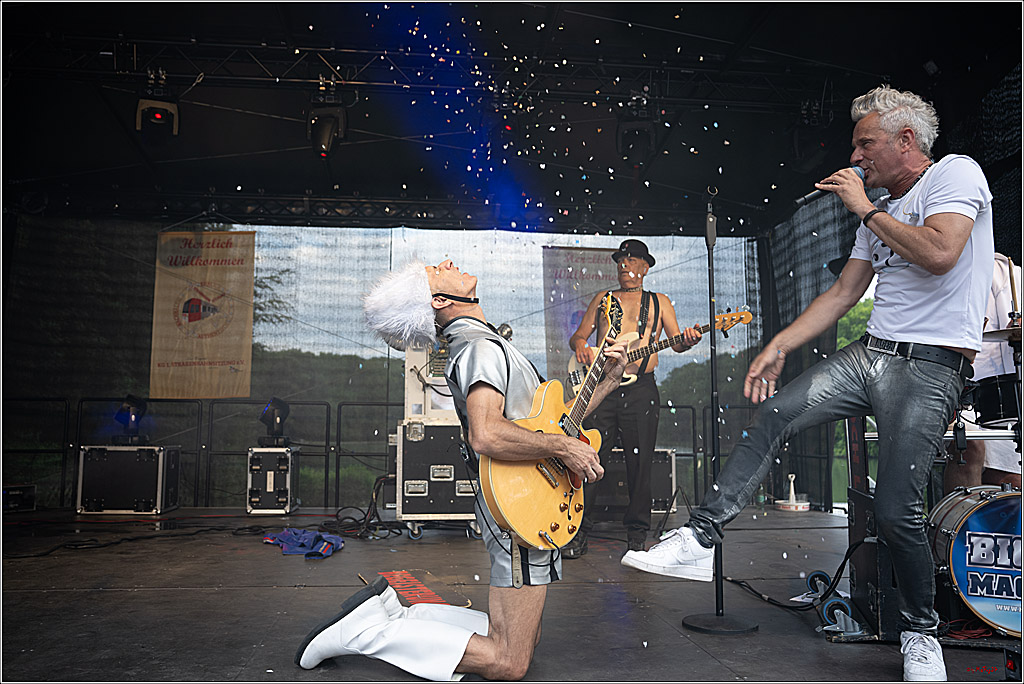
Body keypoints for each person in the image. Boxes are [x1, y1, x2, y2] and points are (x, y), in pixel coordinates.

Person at [620, 85, 994, 682]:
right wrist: (778, 346)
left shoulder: (953, 173)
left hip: (930, 366)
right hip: (871, 354)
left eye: (865, 143)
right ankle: (701, 536)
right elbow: (844, 293)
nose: (855, 156)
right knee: (775, 412)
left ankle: (921, 634)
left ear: (906, 140)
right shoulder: (879, 210)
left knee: (896, 510)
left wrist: (865, 209)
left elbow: (942, 252)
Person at [295, 258, 628, 681]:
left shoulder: (484, 341)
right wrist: (565, 447)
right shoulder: (478, 347)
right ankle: (367, 633)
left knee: (526, 638)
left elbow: (553, 423)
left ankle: (400, 615)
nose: (448, 262)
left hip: (528, 497)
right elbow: (486, 434)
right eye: (437, 270)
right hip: (519, 505)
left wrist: (607, 381)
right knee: (509, 661)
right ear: (439, 300)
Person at [562, 239, 702, 557]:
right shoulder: (604, 299)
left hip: (641, 390)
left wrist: (689, 340)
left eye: (632, 260)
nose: (624, 265)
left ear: (645, 267)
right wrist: (581, 345)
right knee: (589, 455)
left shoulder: (659, 302)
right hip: (602, 387)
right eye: (621, 260)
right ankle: (577, 530)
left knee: (640, 463)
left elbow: (677, 343)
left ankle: (637, 535)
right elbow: (579, 336)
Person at [943, 253, 1022, 493]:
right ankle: (960, 516)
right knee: (969, 446)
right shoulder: (938, 272)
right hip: (956, 396)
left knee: (1011, 480)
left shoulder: (1009, 272)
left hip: (1007, 400)